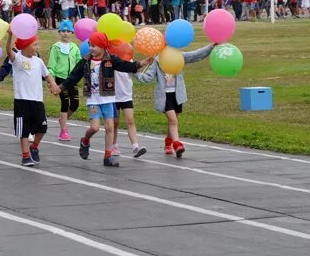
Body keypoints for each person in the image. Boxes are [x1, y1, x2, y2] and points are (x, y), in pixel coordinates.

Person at [60, 32, 150, 167]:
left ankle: (107, 157)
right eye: (90, 45)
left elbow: (126, 66)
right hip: (93, 99)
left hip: (108, 98)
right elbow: (74, 76)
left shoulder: (110, 60)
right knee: (95, 128)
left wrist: (141, 63)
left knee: (110, 127)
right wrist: (60, 87)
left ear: (102, 47)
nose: (91, 48)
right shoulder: (86, 61)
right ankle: (85, 140)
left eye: (94, 46)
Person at [136, 43, 214, 157]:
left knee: (174, 121)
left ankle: (168, 142)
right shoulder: (157, 61)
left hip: (177, 95)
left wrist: (211, 47)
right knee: (173, 120)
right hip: (165, 96)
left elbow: (195, 55)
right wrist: (133, 70)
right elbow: (147, 78)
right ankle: (177, 145)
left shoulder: (178, 56)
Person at [3, 27, 60, 167]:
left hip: (37, 101)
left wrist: (53, 84)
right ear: (25, 46)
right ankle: (25, 156)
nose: (37, 47)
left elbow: (47, 75)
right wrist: (10, 36)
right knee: (24, 131)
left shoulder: (38, 61)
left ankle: (34, 147)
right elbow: (8, 51)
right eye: (35, 44)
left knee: (42, 128)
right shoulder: (17, 59)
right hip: (22, 101)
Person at [46, 20, 80, 142]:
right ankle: (64, 131)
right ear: (59, 32)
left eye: (68, 31)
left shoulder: (74, 47)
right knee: (65, 103)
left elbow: (79, 63)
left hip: (72, 79)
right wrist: (52, 81)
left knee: (75, 104)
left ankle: (63, 120)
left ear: (72, 32)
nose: (65, 33)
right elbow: (52, 65)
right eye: (63, 31)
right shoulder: (55, 47)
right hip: (61, 79)